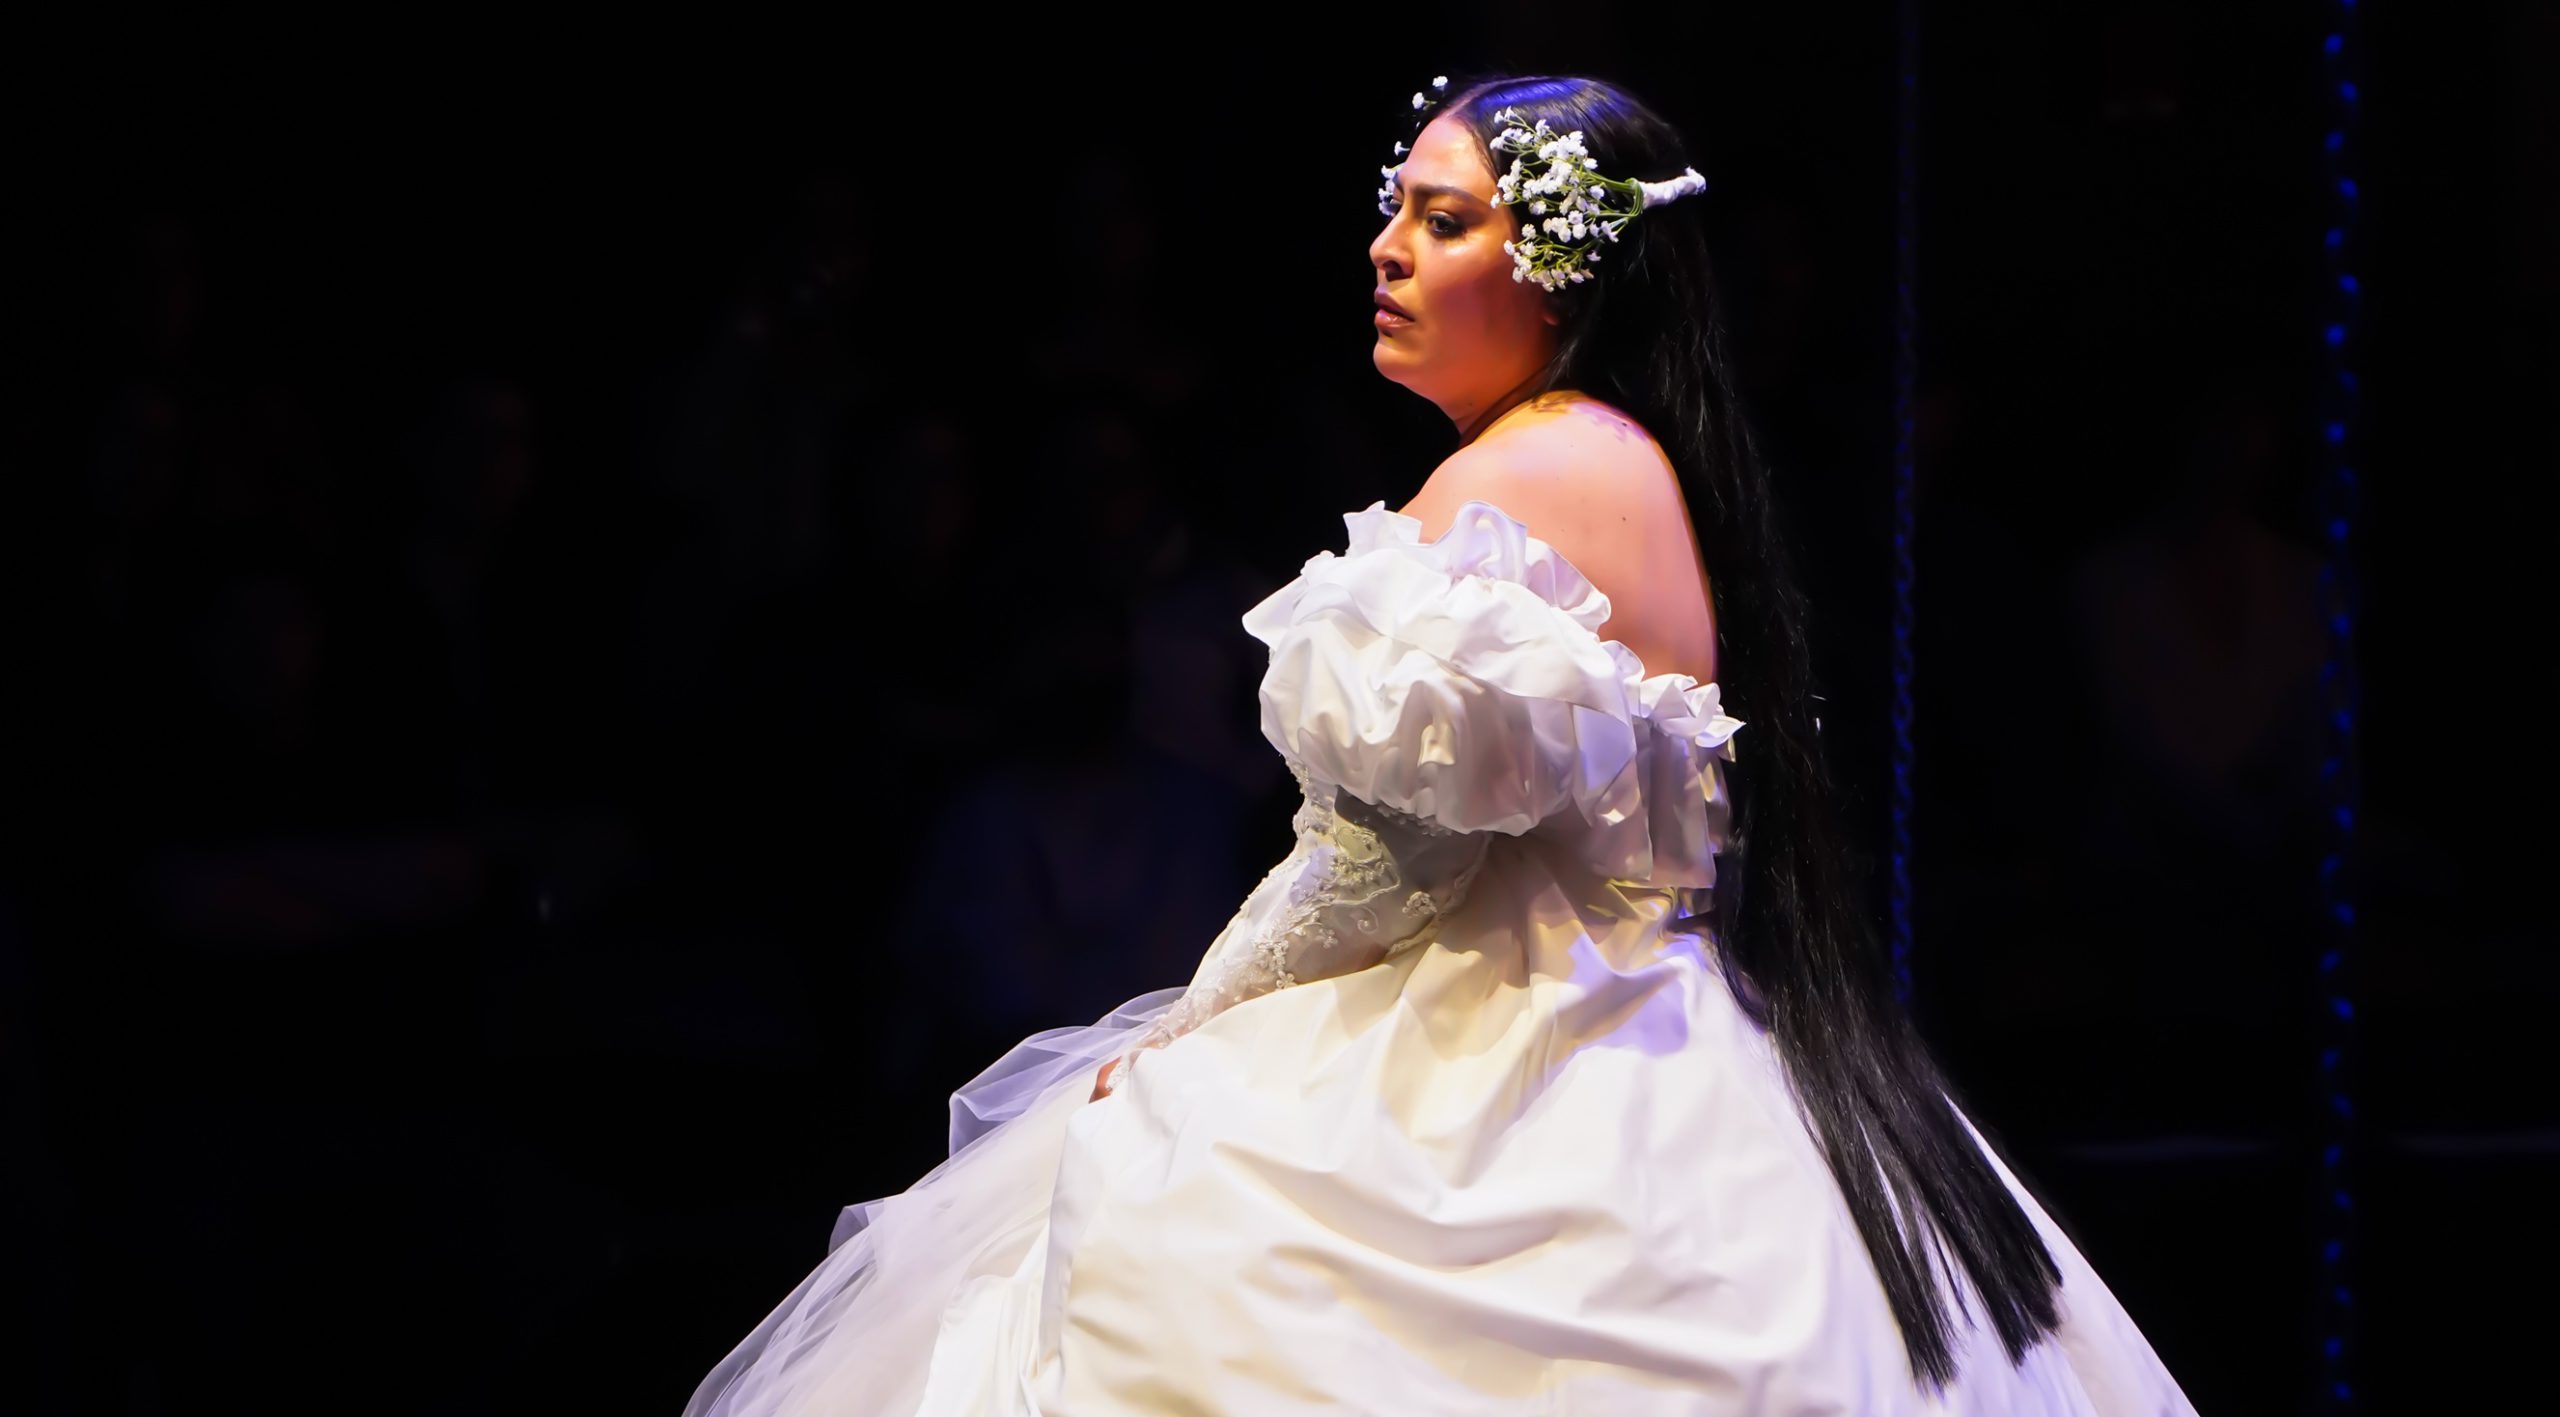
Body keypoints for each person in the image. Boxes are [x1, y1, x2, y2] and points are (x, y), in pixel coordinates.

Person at [682, 73, 2196, 1415]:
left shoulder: (1523, 479)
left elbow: (1388, 862)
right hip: (1651, 1030)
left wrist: (1192, 1026)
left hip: (1521, 1042)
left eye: (1446, 219)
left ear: (1561, 269)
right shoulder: (1628, 462)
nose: (1387, 248)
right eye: (1396, 207)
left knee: (1168, 1209)